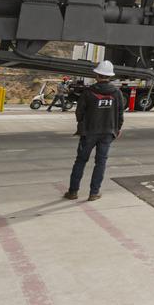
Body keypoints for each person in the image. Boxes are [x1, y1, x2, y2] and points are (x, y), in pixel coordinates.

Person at [65, 61, 125, 201]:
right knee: (101, 162)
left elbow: (79, 112)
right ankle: (94, 193)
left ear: (97, 75)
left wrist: (82, 124)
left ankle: (73, 192)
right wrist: (117, 129)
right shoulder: (117, 93)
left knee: (80, 161)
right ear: (109, 76)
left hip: (89, 132)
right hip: (107, 132)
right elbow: (120, 113)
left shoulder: (88, 92)